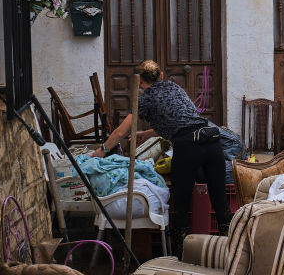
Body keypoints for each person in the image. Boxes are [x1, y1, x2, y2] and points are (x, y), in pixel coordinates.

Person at [92, 60, 231, 256]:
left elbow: (122, 131)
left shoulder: (145, 99)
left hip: (188, 146)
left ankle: (183, 255)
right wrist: (146, 134)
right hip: (212, 141)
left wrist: (102, 150)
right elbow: (180, 119)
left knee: (181, 204)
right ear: (162, 76)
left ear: (139, 82)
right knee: (220, 201)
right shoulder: (175, 88)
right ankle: (231, 251)